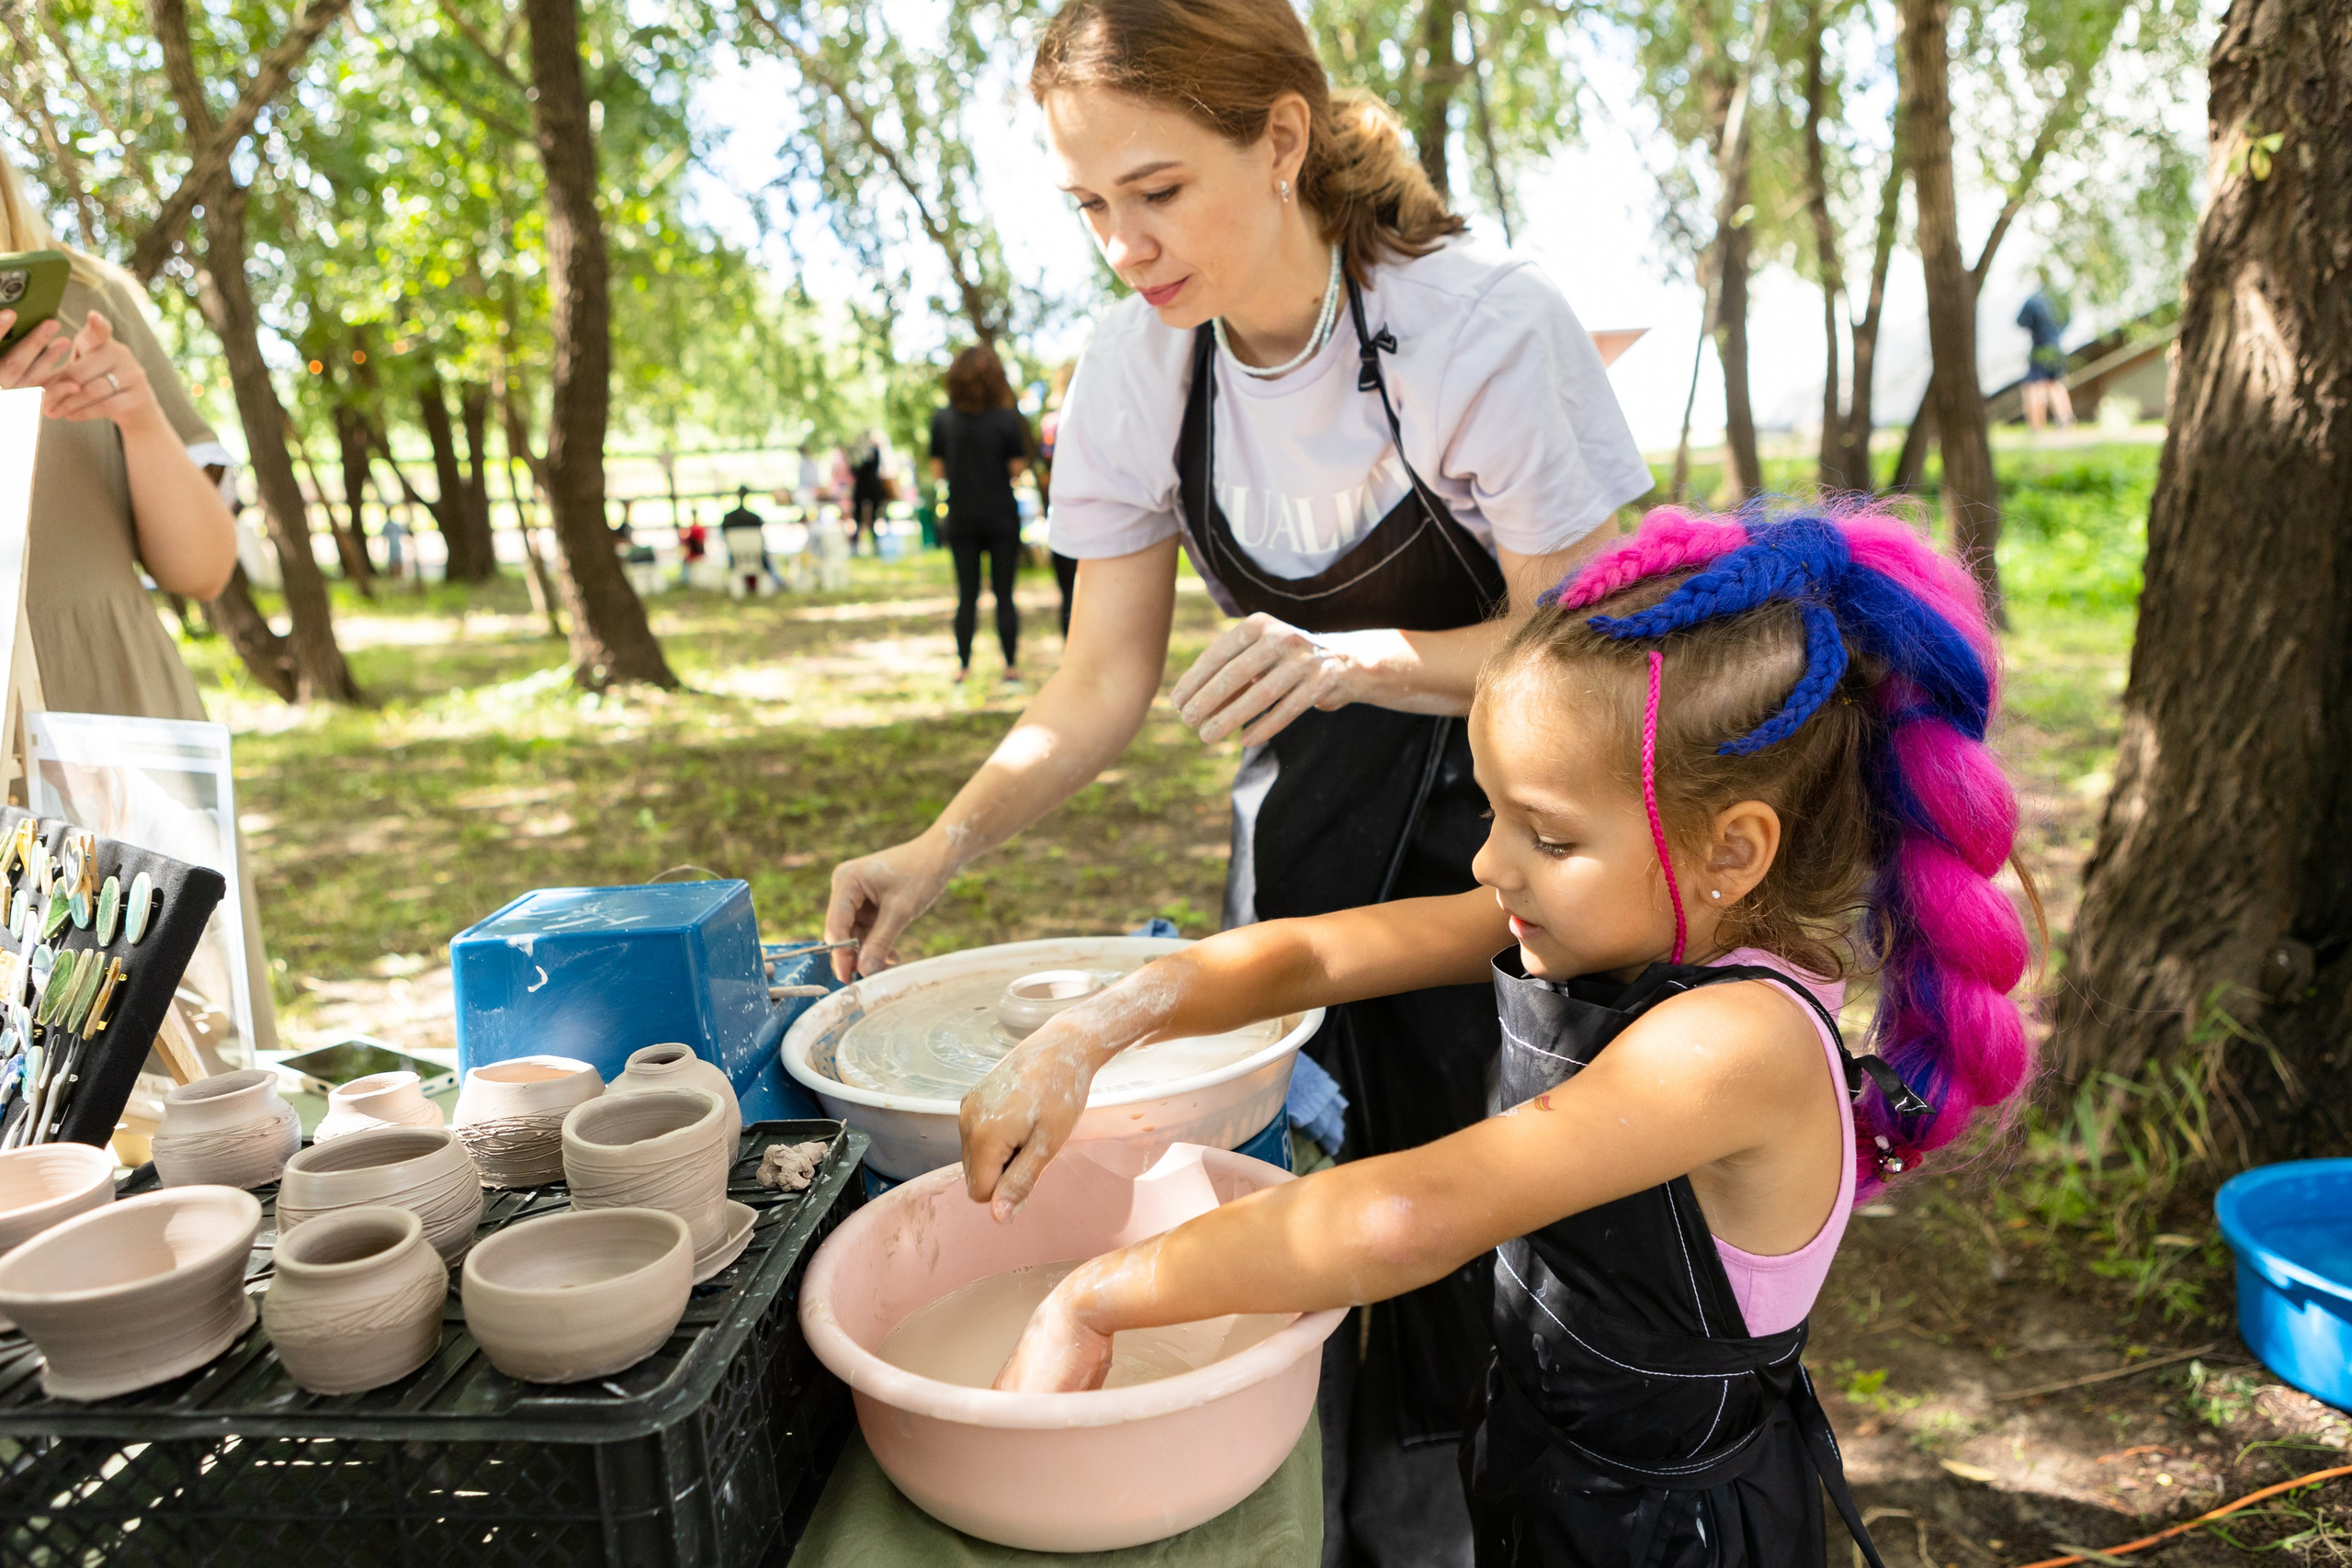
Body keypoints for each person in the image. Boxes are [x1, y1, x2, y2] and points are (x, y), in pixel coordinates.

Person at [824, 4, 1652, 1557]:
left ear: (1279, 141)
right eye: (1088, 205)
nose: (1125, 246)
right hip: (1313, 842)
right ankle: (1332, 1505)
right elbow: (1099, 678)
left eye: (1158, 190)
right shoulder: (1142, 366)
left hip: (1534, 843)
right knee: (1312, 1195)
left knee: (1499, 1225)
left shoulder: (1480, 328)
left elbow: (1593, 640)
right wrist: (944, 841)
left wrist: (1371, 659)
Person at [967, 508, 2035, 1568]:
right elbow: (1313, 959)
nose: (1489, 866)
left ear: (1732, 851)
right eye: (1490, 814)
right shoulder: (1601, 915)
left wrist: (1094, 1296)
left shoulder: (1732, 1043)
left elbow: (1405, 1216)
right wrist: (1100, 1023)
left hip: (1673, 1534)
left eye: (1548, 834)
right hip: (1554, 1467)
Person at [0, 155, 277, 1055]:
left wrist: (140, 415)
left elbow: (202, 568)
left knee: (187, 1079)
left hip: (114, 722)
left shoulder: (89, 296)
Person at [926, 344, 1033, 683]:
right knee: (1005, 593)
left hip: (961, 516)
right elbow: (1017, 468)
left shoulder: (942, 420)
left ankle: (964, 666)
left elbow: (937, 471)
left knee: (966, 595)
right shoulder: (1006, 420)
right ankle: (1010, 666)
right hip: (1002, 514)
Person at [1037, 363, 1080, 637]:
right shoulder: (1104, 418)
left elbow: (1045, 468)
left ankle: (1072, 652)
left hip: (1065, 512)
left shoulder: (1051, 423)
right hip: (1099, 513)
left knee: (1068, 592)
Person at [2017, 285, 2073, 433]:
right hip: (2056, 348)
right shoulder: (2059, 299)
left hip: (2040, 349)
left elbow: (2021, 322)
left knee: (2034, 387)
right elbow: (2068, 320)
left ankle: (2036, 426)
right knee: (2055, 384)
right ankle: (2065, 419)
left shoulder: (2033, 300)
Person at [848, 431, 889, 556]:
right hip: (862, 487)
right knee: (858, 515)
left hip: (871, 487)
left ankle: (875, 541)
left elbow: (875, 466)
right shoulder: (856, 454)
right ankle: (856, 542)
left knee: (874, 515)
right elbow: (854, 470)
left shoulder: (874, 451)